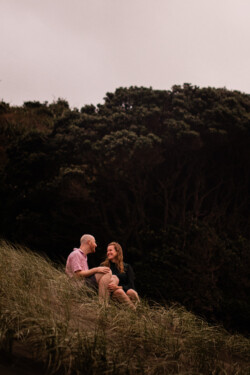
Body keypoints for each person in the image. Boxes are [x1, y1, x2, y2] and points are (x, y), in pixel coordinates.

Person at [66, 234, 118, 303]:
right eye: (94, 242)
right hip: (78, 287)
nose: (96, 245)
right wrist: (96, 269)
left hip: (84, 284)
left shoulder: (84, 256)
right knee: (107, 271)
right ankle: (103, 304)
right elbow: (77, 275)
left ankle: (106, 300)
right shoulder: (76, 254)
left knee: (114, 277)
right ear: (89, 242)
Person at [101, 241, 140, 310]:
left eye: (110, 250)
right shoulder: (104, 267)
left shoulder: (127, 267)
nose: (108, 252)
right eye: (107, 251)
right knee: (119, 292)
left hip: (124, 291)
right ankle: (134, 312)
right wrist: (116, 288)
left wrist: (118, 287)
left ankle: (138, 309)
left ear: (117, 252)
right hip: (111, 293)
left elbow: (131, 285)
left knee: (132, 292)